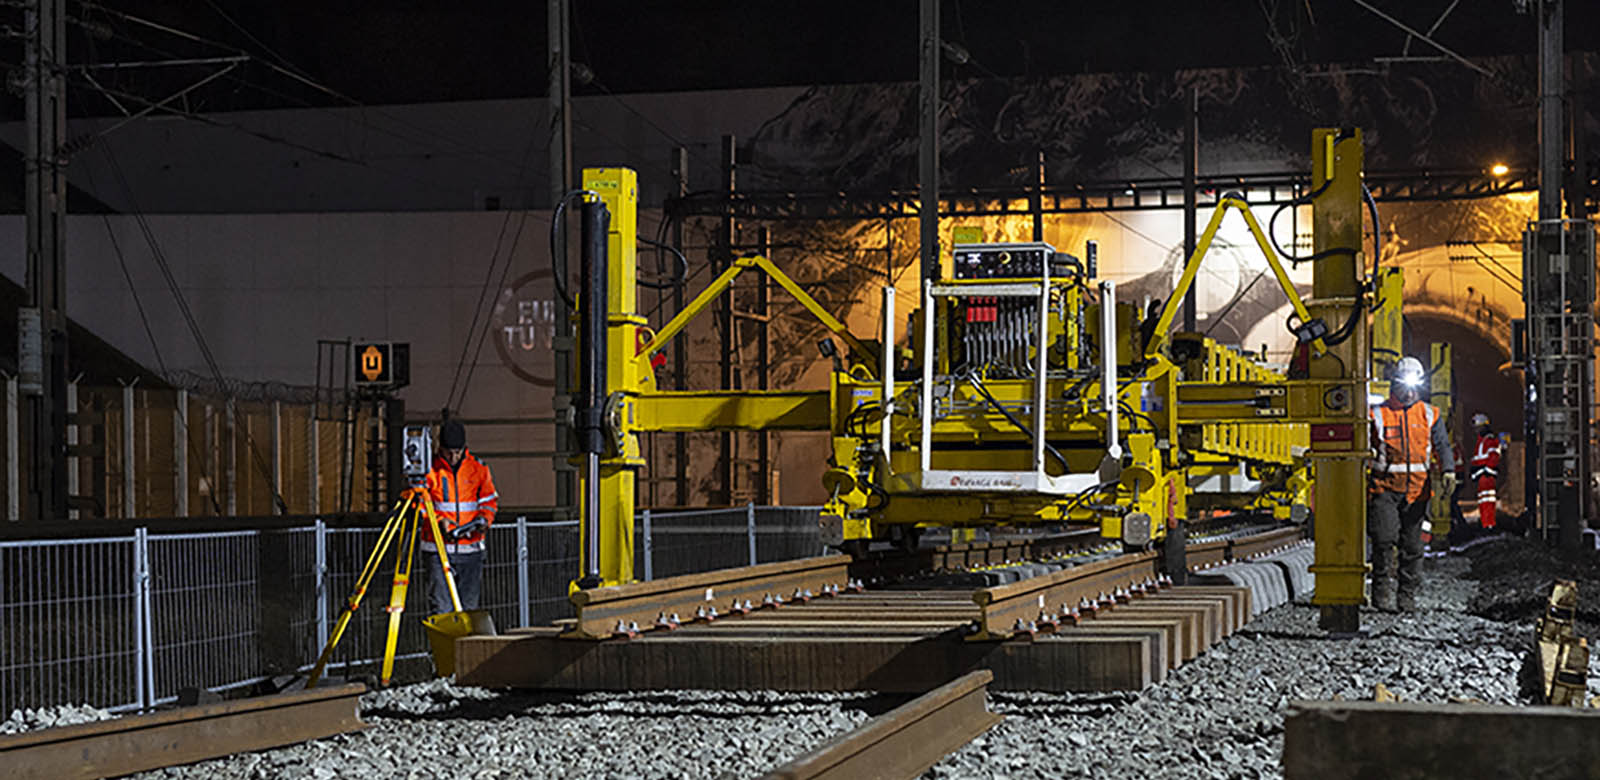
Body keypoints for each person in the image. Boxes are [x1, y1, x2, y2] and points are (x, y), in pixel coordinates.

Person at [1368, 356, 1456, 612]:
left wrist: (1448, 469)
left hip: (1417, 493)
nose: (1408, 392)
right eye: (1403, 387)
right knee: (1384, 541)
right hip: (1384, 489)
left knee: (1413, 547)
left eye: (1413, 387)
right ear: (1394, 384)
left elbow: (1441, 445)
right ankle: (1381, 594)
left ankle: (1406, 598)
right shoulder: (1377, 414)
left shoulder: (1429, 414)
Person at [420, 419, 498, 615]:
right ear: (440, 448)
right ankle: (445, 646)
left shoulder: (479, 469)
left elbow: (489, 502)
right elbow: (419, 506)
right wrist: (440, 522)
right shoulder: (429, 472)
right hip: (438, 550)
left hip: (471, 550)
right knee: (441, 609)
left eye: (457, 452)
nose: (454, 457)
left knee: (468, 610)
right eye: (449, 452)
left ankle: (463, 646)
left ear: (464, 448)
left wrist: (485, 520)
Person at [1469, 412, 1502, 531]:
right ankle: (1486, 523)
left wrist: (1485, 470)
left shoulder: (1489, 440)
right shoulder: (1482, 440)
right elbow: (1478, 458)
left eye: (1477, 427)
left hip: (1487, 476)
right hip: (1483, 475)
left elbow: (1493, 457)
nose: (1476, 430)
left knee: (1487, 501)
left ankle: (1489, 525)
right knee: (1483, 501)